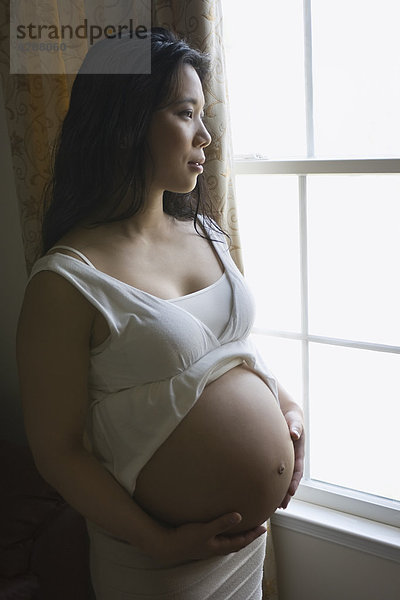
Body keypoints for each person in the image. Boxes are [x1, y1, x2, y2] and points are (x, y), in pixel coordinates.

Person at [16, 27, 305, 599]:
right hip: (159, 565)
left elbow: (232, 351)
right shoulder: (66, 279)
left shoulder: (206, 232)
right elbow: (58, 452)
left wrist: (286, 405)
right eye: (184, 112)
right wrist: (156, 541)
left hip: (245, 553)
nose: (206, 135)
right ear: (126, 122)